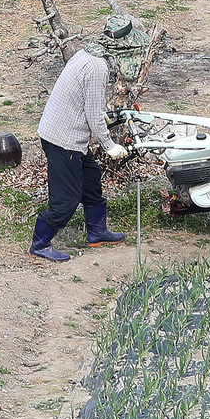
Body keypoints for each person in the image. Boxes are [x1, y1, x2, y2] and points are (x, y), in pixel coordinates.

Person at [29, 49, 129, 262]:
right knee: (66, 200)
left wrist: (101, 115)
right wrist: (109, 145)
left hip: (66, 132)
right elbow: (93, 115)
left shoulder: (86, 54)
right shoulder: (98, 68)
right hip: (63, 140)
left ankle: (97, 232)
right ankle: (40, 244)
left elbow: (83, 98)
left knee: (90, 180)